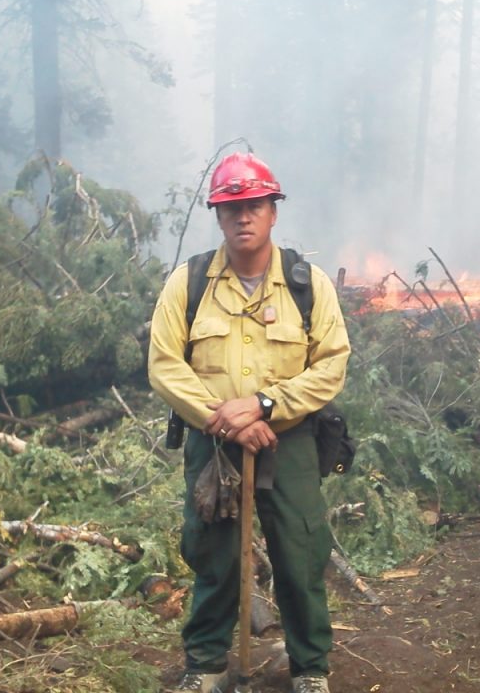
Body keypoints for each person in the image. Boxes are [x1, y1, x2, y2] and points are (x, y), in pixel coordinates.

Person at [148, 152, 351, 693]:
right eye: (231, 207)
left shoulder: (308, 285)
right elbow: (164, 366)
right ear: (218, 215)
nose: (243, 216)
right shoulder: (188, 283)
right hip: (213, 444)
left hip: (290, 441)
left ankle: (310, 669)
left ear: (273, 212)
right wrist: (227, 423)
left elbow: (331, 364)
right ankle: (207, 665)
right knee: (213, 555)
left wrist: (264, 406)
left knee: (301, 555)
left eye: (255, 205)